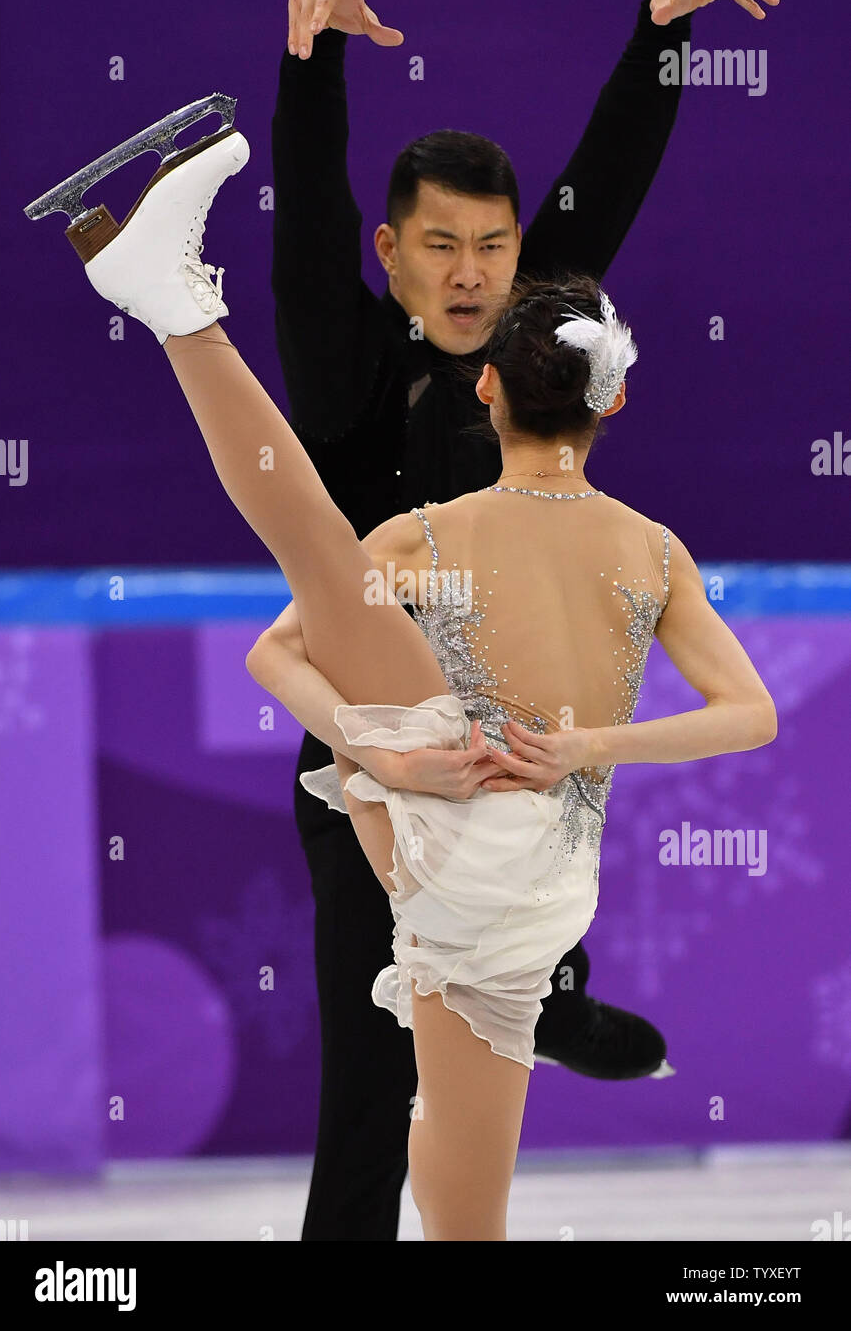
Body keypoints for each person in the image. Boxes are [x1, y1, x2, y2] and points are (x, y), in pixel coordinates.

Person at [38, 123, 776, 1237]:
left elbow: (271, 649)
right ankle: (168, 298)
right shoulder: (654, 549)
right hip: (525, 879)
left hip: (474, 826)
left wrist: (372, 746)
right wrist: (575, 748)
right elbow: (749, 716)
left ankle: (179, 308)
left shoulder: (425, 535)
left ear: (485, 389)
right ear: (610, 401)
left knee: (315, 541)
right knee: (462, 1211)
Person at [271, 0, 780, 1238]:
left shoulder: (523, 339)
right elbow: (312, 224)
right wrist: (313, 63)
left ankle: (547, 996)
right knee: (373, 1085)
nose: (470, 273)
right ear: (394, 252)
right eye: (438, 245)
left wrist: (659, 34)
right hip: (377, 775)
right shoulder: (341, 360)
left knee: (502, 995)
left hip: (519, 779)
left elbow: (593, 198)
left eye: (493, 248)